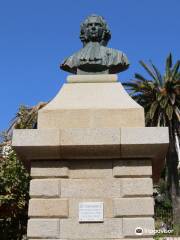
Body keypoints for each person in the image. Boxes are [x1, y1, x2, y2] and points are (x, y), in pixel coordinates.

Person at [60, 14, 129, 74]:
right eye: (89, 25)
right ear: (84, 30)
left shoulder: (118, 56)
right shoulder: (71, 59)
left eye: (97, 25)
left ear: (104, 30)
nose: (93, 27)